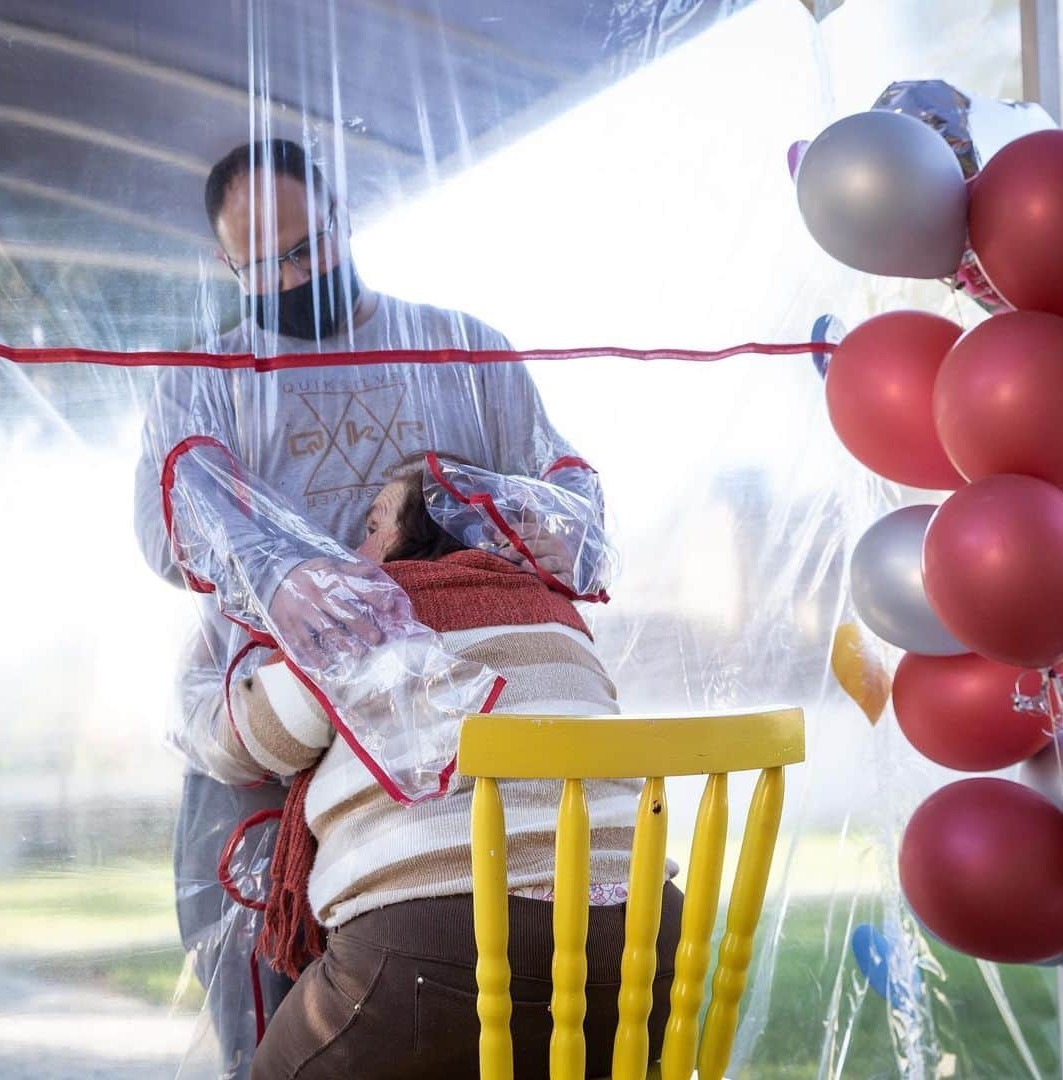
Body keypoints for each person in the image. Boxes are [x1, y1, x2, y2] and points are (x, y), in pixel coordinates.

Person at [133, 140, 603, 1078]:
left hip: (454, 732)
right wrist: (276, 575)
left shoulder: (462, 350)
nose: (291, 277)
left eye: (307, 248)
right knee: (263, 995)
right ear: (227, 264)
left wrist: (558, 531)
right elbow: (169, 522)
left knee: (475, 995)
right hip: (265, 725)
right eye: (261, 265)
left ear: (344, 218)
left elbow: (564, 483)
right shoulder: (202, 376)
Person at [204, 462, 682, 1080]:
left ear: (421, 540)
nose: (356, 549)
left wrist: (245, 658)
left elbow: (249, 741)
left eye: (374, 526)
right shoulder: (563, 621)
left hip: (443, 948)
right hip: (646, 958)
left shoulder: (363, 614)